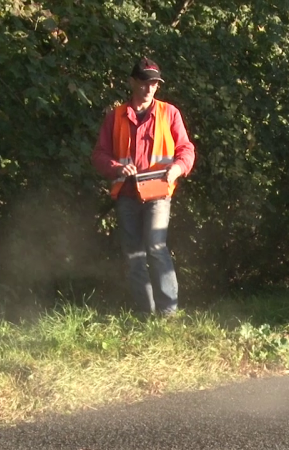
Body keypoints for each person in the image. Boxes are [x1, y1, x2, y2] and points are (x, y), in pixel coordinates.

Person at [92, 57, 196, 316]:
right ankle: (145, 314)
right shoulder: (115, 117)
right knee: (134, 255)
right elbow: (99, 155)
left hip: (159, 193)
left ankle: (168, 314)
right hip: (126, 195)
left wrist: (178, 169)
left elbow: (186, 149)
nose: (150, 88)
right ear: (132, 82)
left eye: (154, 83)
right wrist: (116, 167)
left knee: (156, 247)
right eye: (145, 82)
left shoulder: (169, 113)